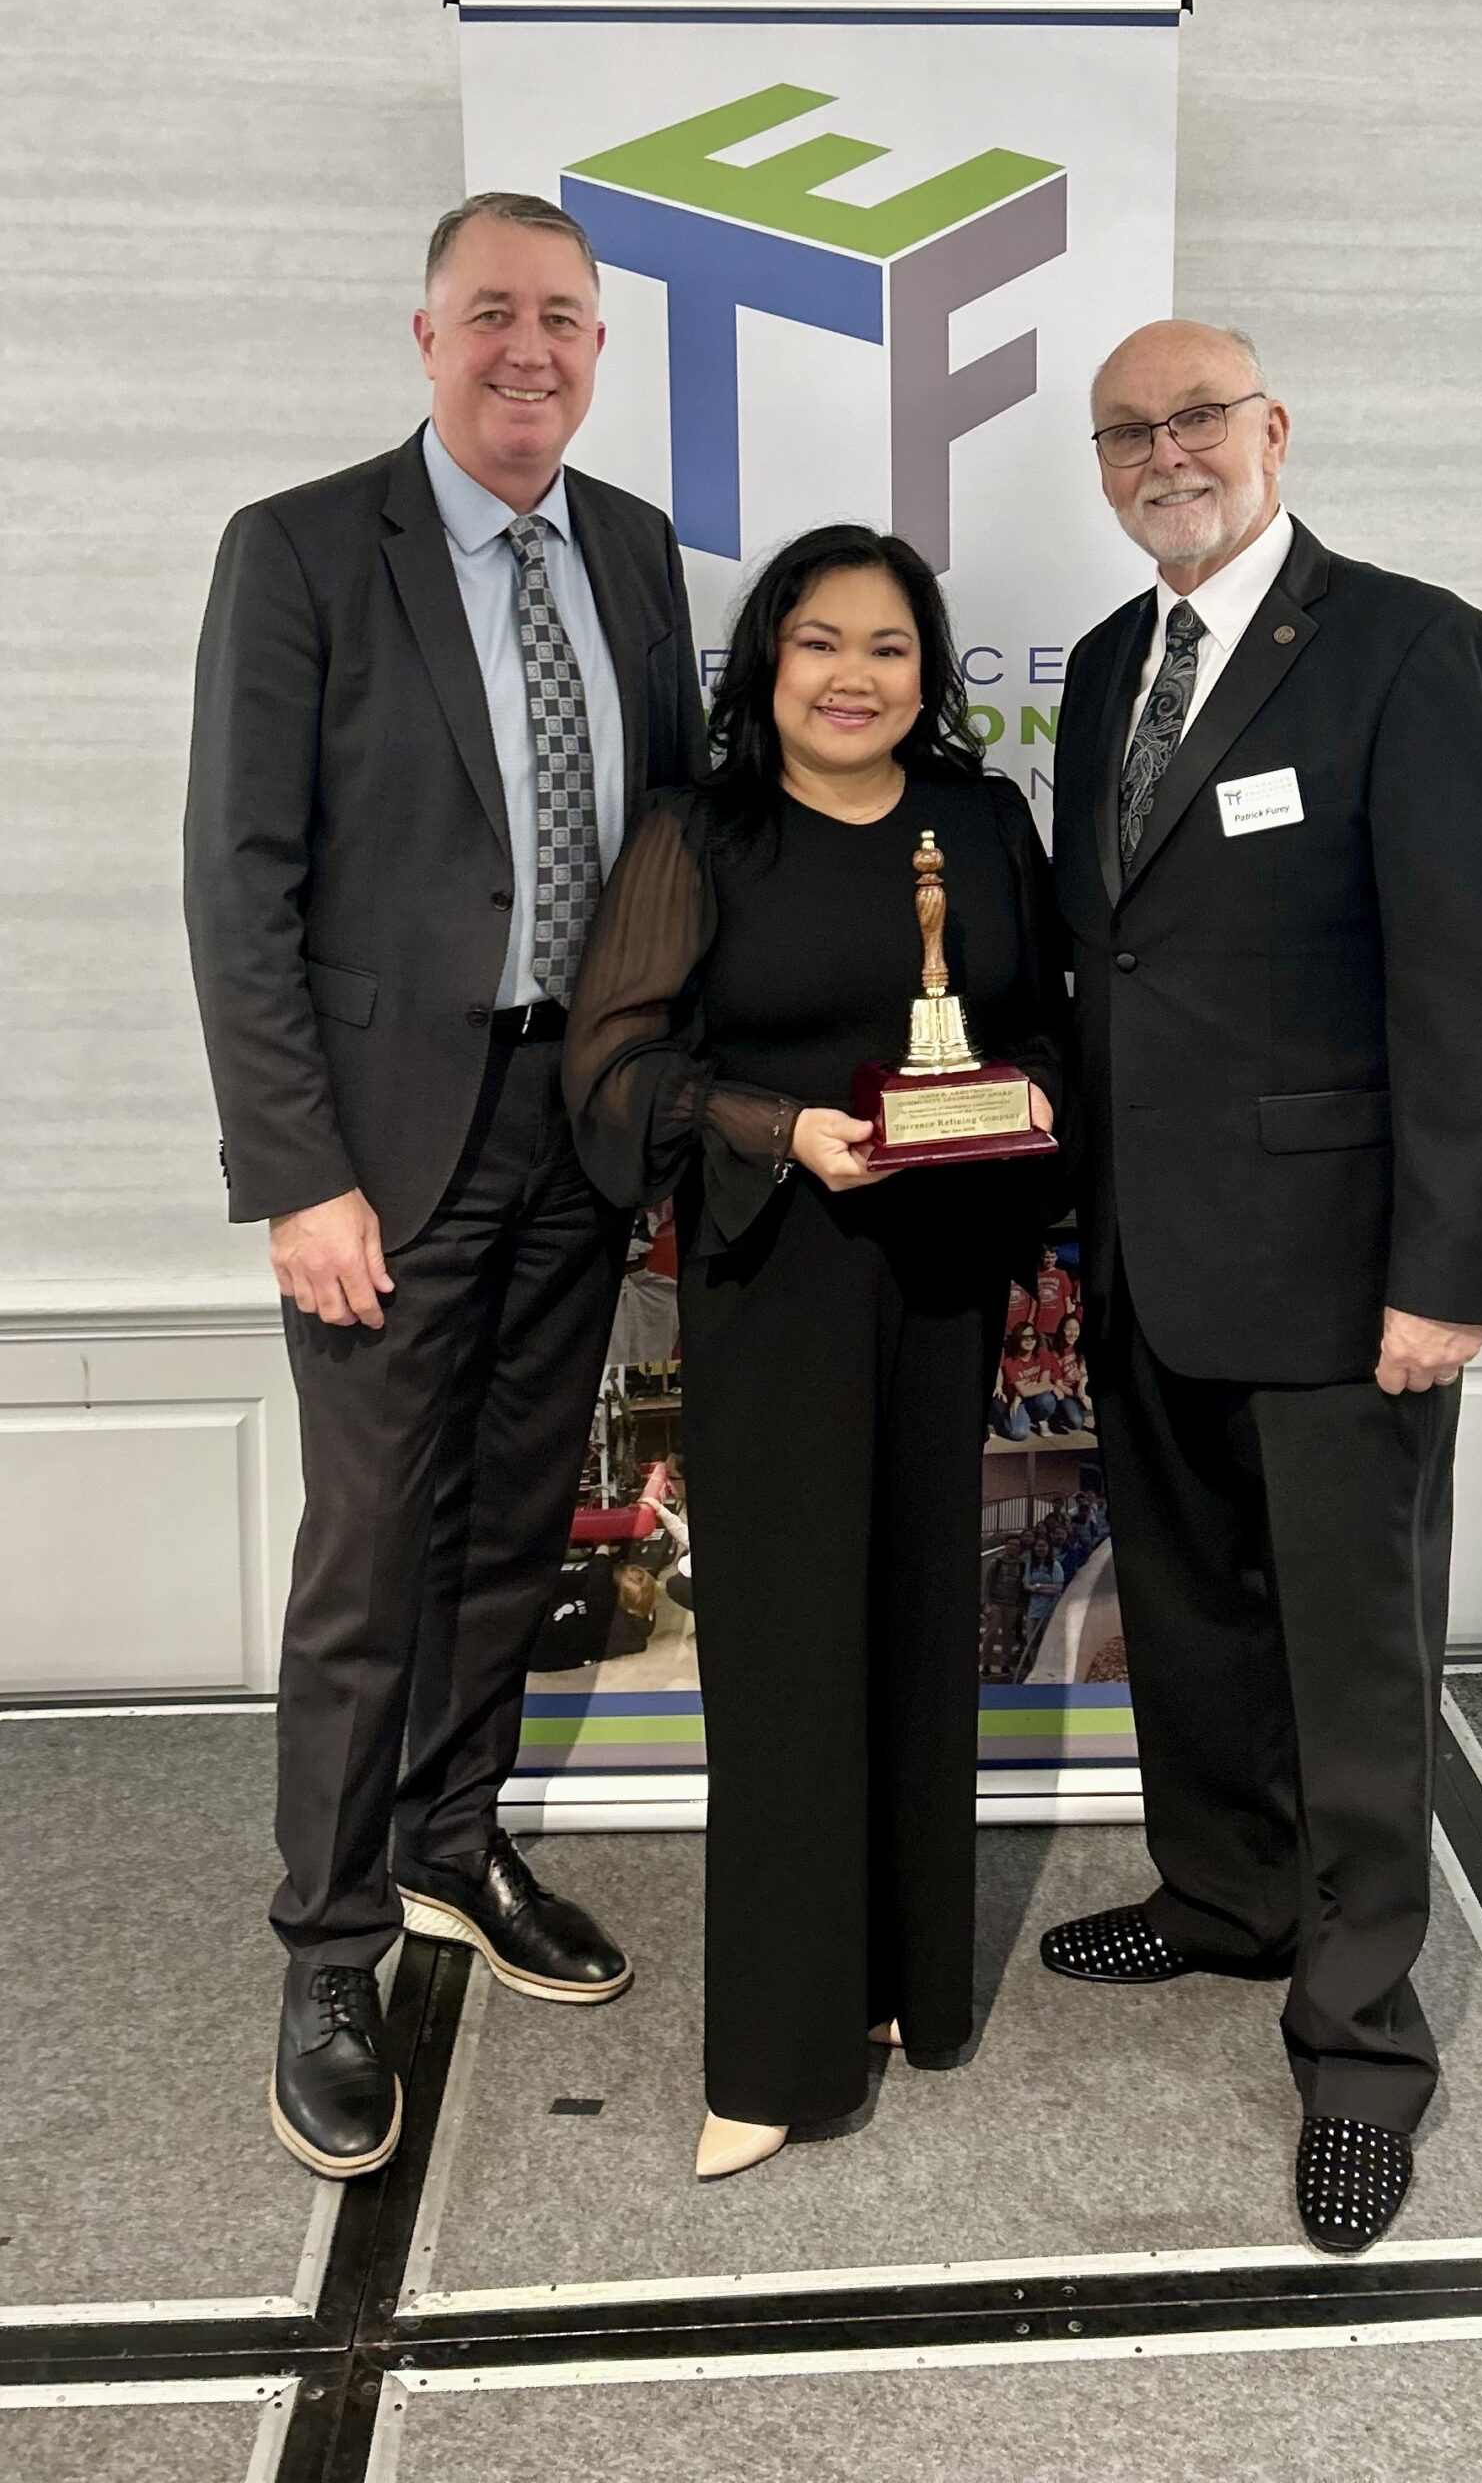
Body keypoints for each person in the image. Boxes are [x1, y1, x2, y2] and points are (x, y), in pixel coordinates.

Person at [184, 192, 705, 2179]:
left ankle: (451, 1845)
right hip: (383, 1155)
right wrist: (295, 1171)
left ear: (598, 349)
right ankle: (329, 1950)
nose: (527, 349)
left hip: (576, 1124)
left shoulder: (636, 553)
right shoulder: (306, 547)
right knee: (367, 1560)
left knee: (511, 1521)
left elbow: (671, 848)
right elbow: (240, 882)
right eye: (491, 311)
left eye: (561, 317)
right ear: (425, 336)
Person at [1044, 320, 1482, 2253]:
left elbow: (1468, 984)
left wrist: (1446, 1272)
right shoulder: (1107, 665)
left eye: (1194, 418)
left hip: (1347, 1283)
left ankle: (1356, 2047)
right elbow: (1117, 965)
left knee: (1350, 1671)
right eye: (1124, 433)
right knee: (1183, 1621)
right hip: (1145, 1259)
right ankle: (1223, 1898)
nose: (1161, 454)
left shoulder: (1410, 649)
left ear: (1270, 431)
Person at [566, 522, 1066, 2178]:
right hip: (776, 1279)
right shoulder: (698, 834)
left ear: (929, 675)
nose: (853, 676)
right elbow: (611, 1073)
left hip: (940, 1278)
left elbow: (1042, 1021)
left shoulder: (981, 825)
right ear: (766, 664)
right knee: (784, 1657)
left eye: (888, 646)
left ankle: (902, 1986)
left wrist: (1022, 1100)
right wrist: (782, 1129)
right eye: (819, 642)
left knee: (920, 1624)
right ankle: (772, 2056)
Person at [990, 1319, 1060, 1438]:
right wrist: (1020, 1395)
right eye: (1024, 1337)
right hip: (1015, 1399)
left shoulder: (1042, 1354)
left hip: (1033, 1398)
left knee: (1047, 1399)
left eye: (1032, 1337)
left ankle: (1041, 1420)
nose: (1029, 1340)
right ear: (1017, 1339)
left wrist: (1049, 1386)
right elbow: (1025, 1391)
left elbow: (1045, 1384)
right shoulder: (1010, 1361)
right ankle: (998, 1423)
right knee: (1019, 1434)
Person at [1045, 1309, 1092, 1433]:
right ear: (1061, 1330)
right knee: (1076, 1422)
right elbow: (1059, 1384)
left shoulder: (1081, 1347)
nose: (1073, 1333)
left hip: (1081, 1387)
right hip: (1067, 1393)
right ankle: (1057, 1413)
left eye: (1076, 1329)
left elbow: (1083, 1372)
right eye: (1068, 1329)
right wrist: (1078, 1395)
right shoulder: (1054, 1353)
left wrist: (1081, 1387)